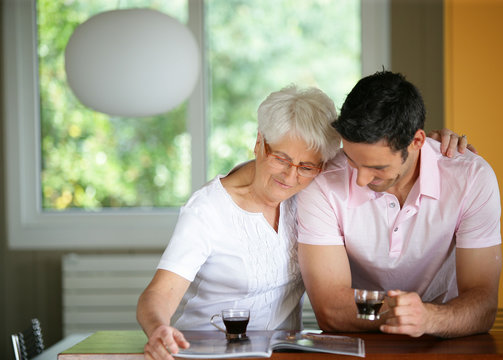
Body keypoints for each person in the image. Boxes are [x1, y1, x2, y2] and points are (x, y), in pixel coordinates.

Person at [137, 84, 472, 360]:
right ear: (259, 143)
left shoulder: (310, 195)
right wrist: (158, 329)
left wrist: (432, 146)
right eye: (281, 158)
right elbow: (158, 296)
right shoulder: (208, 210)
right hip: (205, 352)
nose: (290, 176)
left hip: (281, 354)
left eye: (307, 166)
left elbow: (384, 146)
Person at [297, 71, 502, 339]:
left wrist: (429, 318)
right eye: (351, 159)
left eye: (377, 167)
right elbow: (331, 309)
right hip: (360, 343)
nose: (360, 179)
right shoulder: (322, 183)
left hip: (444, 339)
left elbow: (483, 303)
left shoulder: (472, 177)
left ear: (417, 141)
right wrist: (408, 314)